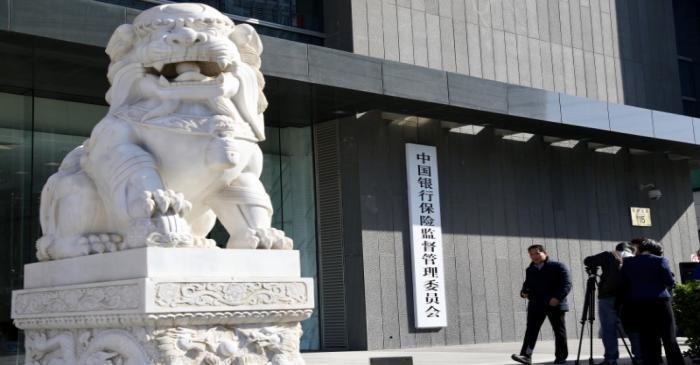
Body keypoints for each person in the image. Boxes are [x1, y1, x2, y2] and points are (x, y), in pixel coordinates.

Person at [620, 239, 686, 365]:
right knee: (669, 336)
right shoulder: (661, 260)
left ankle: (652, 362)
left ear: (642, 248)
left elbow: (623, 282)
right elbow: (669, 282)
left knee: (648, 338)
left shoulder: (628, 262)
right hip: (660, 302)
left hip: (639, 303)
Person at [511, 245, 572, 365]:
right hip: (536, 305)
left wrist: (557, 298)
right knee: (531, 331)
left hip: (554, 304)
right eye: (531, 254)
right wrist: (523, 292)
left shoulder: (558, 266)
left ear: (545, 253)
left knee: (559, 331)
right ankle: (526, 356)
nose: (534, 256)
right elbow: (527, 284)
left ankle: (561, 357)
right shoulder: (530, 269)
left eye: (537, 253)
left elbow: (567, 283)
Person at [583, 242, 635, 365]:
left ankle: (611, 359)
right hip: (630, 297)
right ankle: (639, 357)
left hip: (608, 296)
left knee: (608, 328)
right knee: (633, 328)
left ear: (616, 249)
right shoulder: (636, 258)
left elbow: (588, 261)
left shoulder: (608, 255)